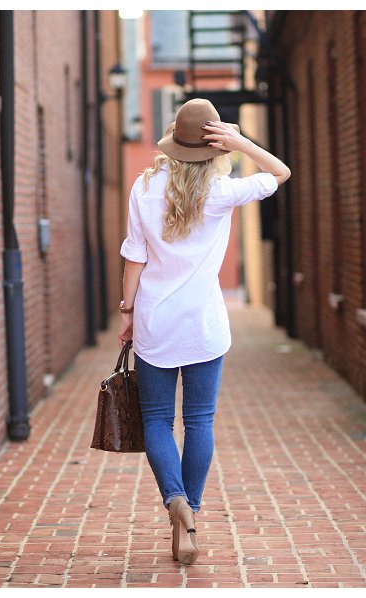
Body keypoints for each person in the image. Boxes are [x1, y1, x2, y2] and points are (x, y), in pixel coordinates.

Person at [118, 98, 290, 565]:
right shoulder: (223, 191)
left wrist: (128, 311)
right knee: (200, 421)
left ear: (172, 144)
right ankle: (189, 508)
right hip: (205, 324)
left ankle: (173, 501)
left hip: (156, 321)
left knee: (156, 420)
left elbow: (135, 255)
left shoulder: (145, 187)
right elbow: (281, 173)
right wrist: (240, 143)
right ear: (214, 147)